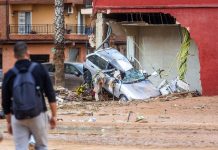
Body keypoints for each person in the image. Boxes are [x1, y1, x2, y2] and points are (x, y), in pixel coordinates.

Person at [1, 41, 57, 150]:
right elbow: (50, 94)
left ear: (14, 55)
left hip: (18, 116)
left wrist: (9, 122)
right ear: (28, 53)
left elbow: (5, 102)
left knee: (20, 148)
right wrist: (54, 116)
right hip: (38, 114)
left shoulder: (9, 74)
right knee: (42, 146)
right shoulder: (39, 69)